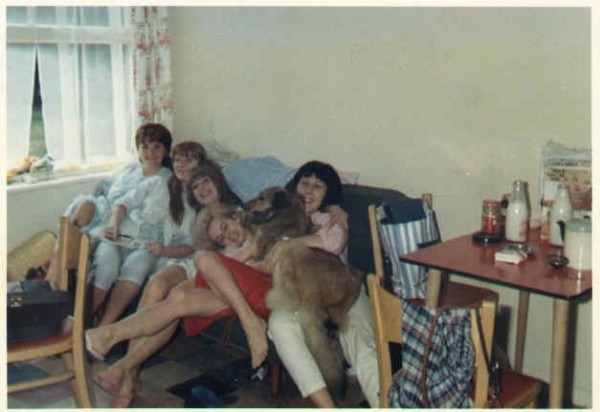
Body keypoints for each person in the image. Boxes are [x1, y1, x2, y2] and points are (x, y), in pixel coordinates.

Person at [84, 203, 270, 407]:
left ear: (236, 216)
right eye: (221, 238)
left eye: (226, 227)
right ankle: (120, 361)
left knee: (199, 263)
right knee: (179, 297)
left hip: (257, 293)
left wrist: (250, 252)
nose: (229, 237)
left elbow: (272, 265)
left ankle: (113, 347)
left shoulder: (263, 232)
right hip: (227, 293)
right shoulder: (228, 251)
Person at [267, 160, 379, 408]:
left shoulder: (332, 218)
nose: (308, 190)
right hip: (302, 297)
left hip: (343, 291)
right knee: (279, 324)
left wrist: (289, 244)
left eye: (317, 186)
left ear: (328, 194)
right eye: (304, 183)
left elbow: (333, 244)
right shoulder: (281, 217)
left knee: (363, 344)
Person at [94, 141, 212, 326]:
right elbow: (123, 203)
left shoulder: (196, 202)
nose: (181, 165)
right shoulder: (158, 182)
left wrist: (164, 250)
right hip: (119, 234)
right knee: (106, 268)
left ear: (200, 165)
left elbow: (189, 246)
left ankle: (104, 327)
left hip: (148, 248)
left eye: (188, 160)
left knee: (137, 265)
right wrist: (114, 224)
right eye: (177, 160)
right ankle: (80, 326)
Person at [45, 123, 174, 285]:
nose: (150, 152)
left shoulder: (166, 178)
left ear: (166, 151)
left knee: (95, 242)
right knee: (85, 205)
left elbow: (153, 212)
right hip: (106, 211)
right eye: (145, 147)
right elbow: (102, 189)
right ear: (138, 151)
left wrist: (116, 216)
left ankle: (57, 279)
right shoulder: (130, 168)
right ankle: (53, 274)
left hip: (127, 221)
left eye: (157, 147)